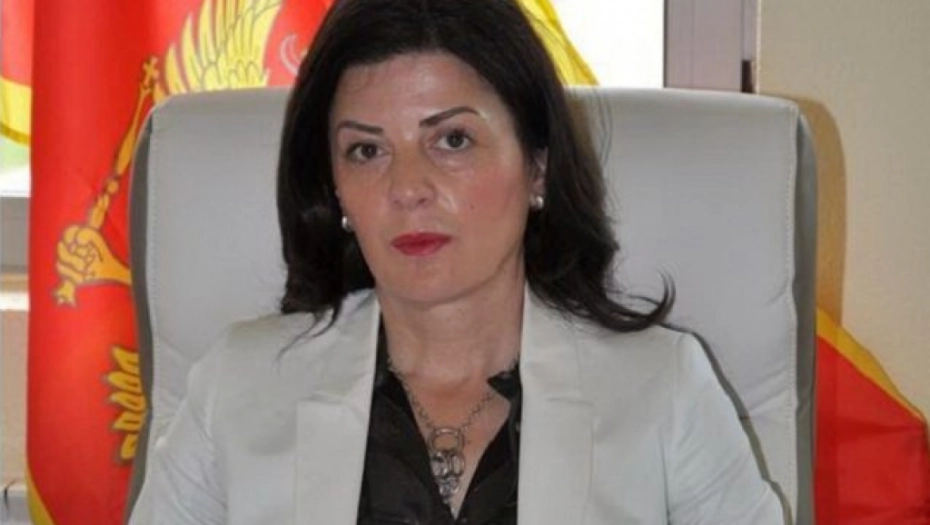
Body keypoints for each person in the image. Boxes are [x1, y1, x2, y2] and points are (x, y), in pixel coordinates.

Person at [130, 0, 787, 523]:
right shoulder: (237, 388)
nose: (407, 188)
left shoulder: (663, 389)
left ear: (537, 165)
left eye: (452, 139)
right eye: (366, 151)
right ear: (334, 190)